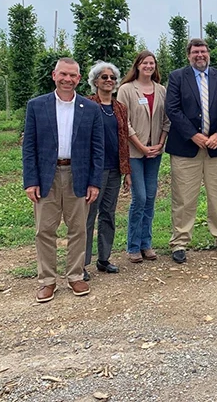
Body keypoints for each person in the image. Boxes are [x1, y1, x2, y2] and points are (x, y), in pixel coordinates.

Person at [22, 57, 103, 303]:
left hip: (78, 175)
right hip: (47, 175)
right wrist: (31, 181)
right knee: (44, 230)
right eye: (63, 74)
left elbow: (97, 149)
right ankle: (47, 281)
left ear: (79, 79)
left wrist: (94, 182)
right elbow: (29, 147)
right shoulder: (37, 106)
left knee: (78, 228)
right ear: (54, 75)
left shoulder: (91, 109)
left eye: (73, 75)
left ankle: (75, 275)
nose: (68, 79)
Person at [164, 38, 217, 263]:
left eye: (203, 51)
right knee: (184, 197)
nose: (200, 55)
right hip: (186, 148)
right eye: (195, 52)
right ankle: (180, 242)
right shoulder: (177, 77)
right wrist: (193, 135)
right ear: (188, 55)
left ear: (208, 54)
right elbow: (172, 109)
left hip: (216, 147)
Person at [117, 50, 171, 264]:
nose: (148, 66)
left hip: (154, 152)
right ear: (137, 65)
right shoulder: (126, 90)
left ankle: (146, 244)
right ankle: (133, 245)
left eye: (152, 63)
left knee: (150, 196)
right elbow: (124, 122)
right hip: (135, 152)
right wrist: (141, 146)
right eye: (144, 63)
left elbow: (166, 120)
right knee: (139, 197)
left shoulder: (161, 90)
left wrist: (160, 143)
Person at [84, 61, 132, 280]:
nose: (109, 81)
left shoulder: (120, 108)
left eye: (112, 78)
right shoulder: (86, 105)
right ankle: (81, 263)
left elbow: (123, 139)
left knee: (108, 214)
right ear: (95, 81)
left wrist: (127, 171)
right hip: (94, 170)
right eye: (104, 77)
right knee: (88, 216)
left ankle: (104, 258)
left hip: (114, 169)